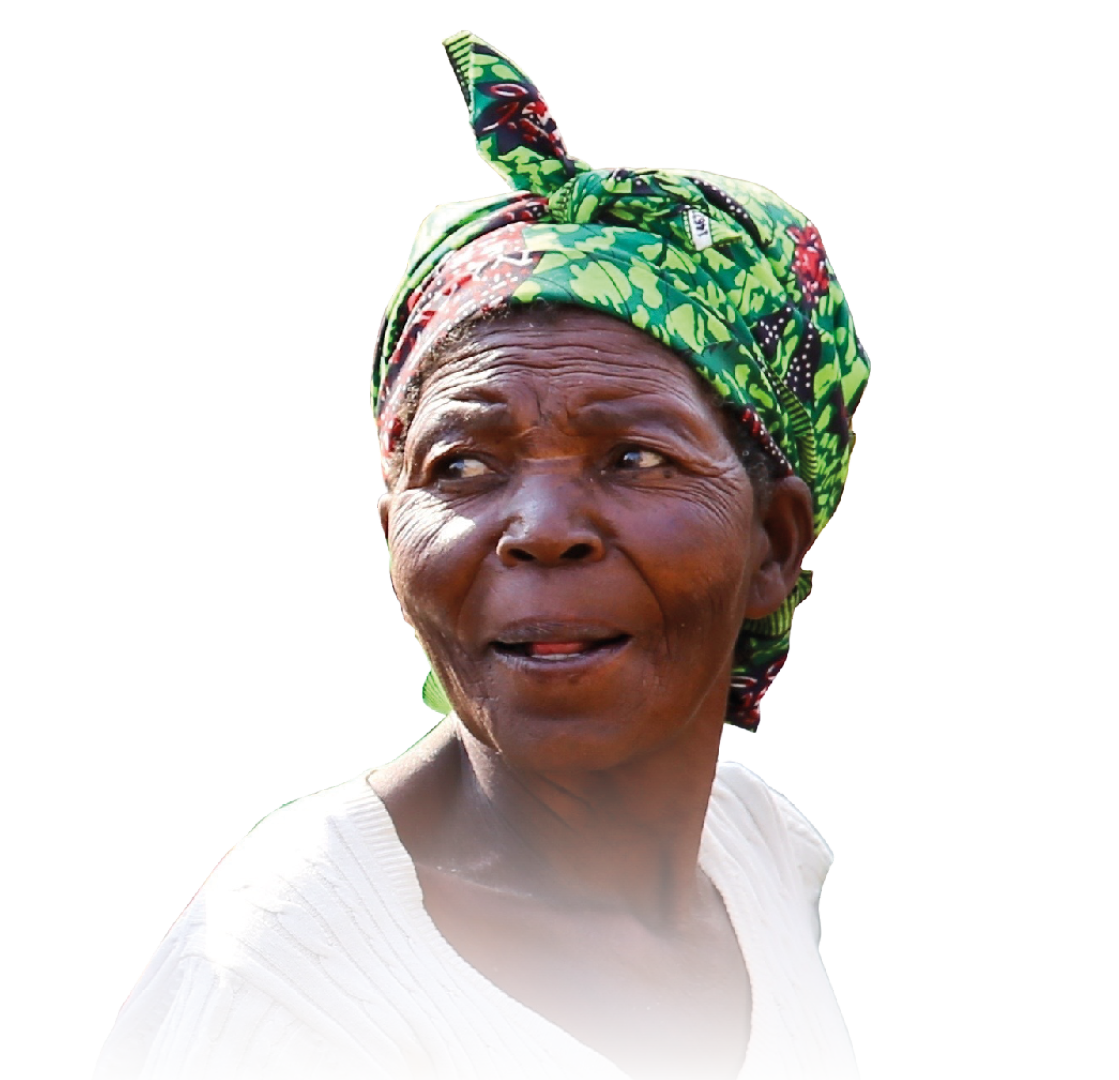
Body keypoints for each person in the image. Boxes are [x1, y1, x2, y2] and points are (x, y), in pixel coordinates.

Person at [94, 30, 870, 1080]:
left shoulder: (757, 860)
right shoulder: (294, 993)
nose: (541, 526)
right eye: (461, 465)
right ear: (392, 542)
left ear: (775, 545)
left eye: (635, 455)